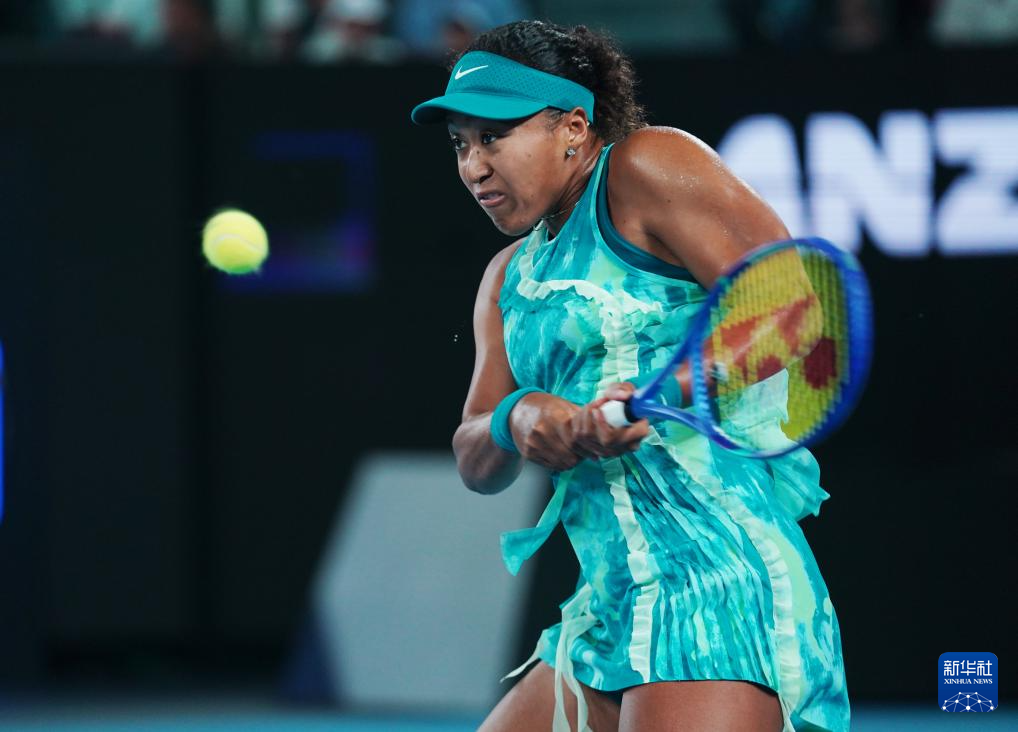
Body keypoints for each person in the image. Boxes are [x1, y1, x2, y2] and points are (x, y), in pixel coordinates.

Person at [411, 20, 849, 732]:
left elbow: (793, 306)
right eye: (461, 144)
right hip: (607, 609)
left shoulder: (646, 165)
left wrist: (663, 392)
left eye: (494, 136)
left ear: (573, 128)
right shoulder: (507, 278)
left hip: (714, 587)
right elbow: (474, 457)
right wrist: (520, 418)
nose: (474, 166)